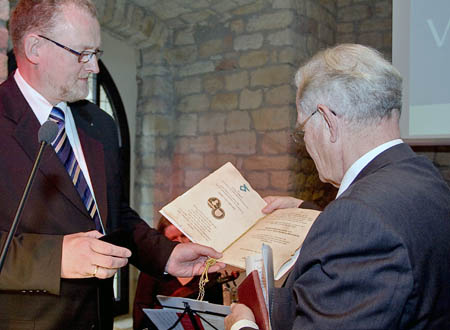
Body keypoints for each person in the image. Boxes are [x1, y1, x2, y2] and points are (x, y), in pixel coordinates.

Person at [0, 1, 224, 329]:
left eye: (97, 54)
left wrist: (166, 255)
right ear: (35, 47)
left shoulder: (99, 124)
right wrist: (55, 258)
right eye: (83, 53)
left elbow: (113, 215)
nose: (93, 68)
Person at [225, 44, 450, 330]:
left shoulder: (357, 219)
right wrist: (312, 214)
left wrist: (242, 326)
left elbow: (364, 230)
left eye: (302, 130)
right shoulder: (426, 178)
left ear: (328, 121)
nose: (305, 143)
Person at [133, 217, 224, 330]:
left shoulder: (209, 274)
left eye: (183, 236)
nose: (180, 242)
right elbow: (140, 312)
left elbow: (217, 316)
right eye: (173, 238)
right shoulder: (151, 272)